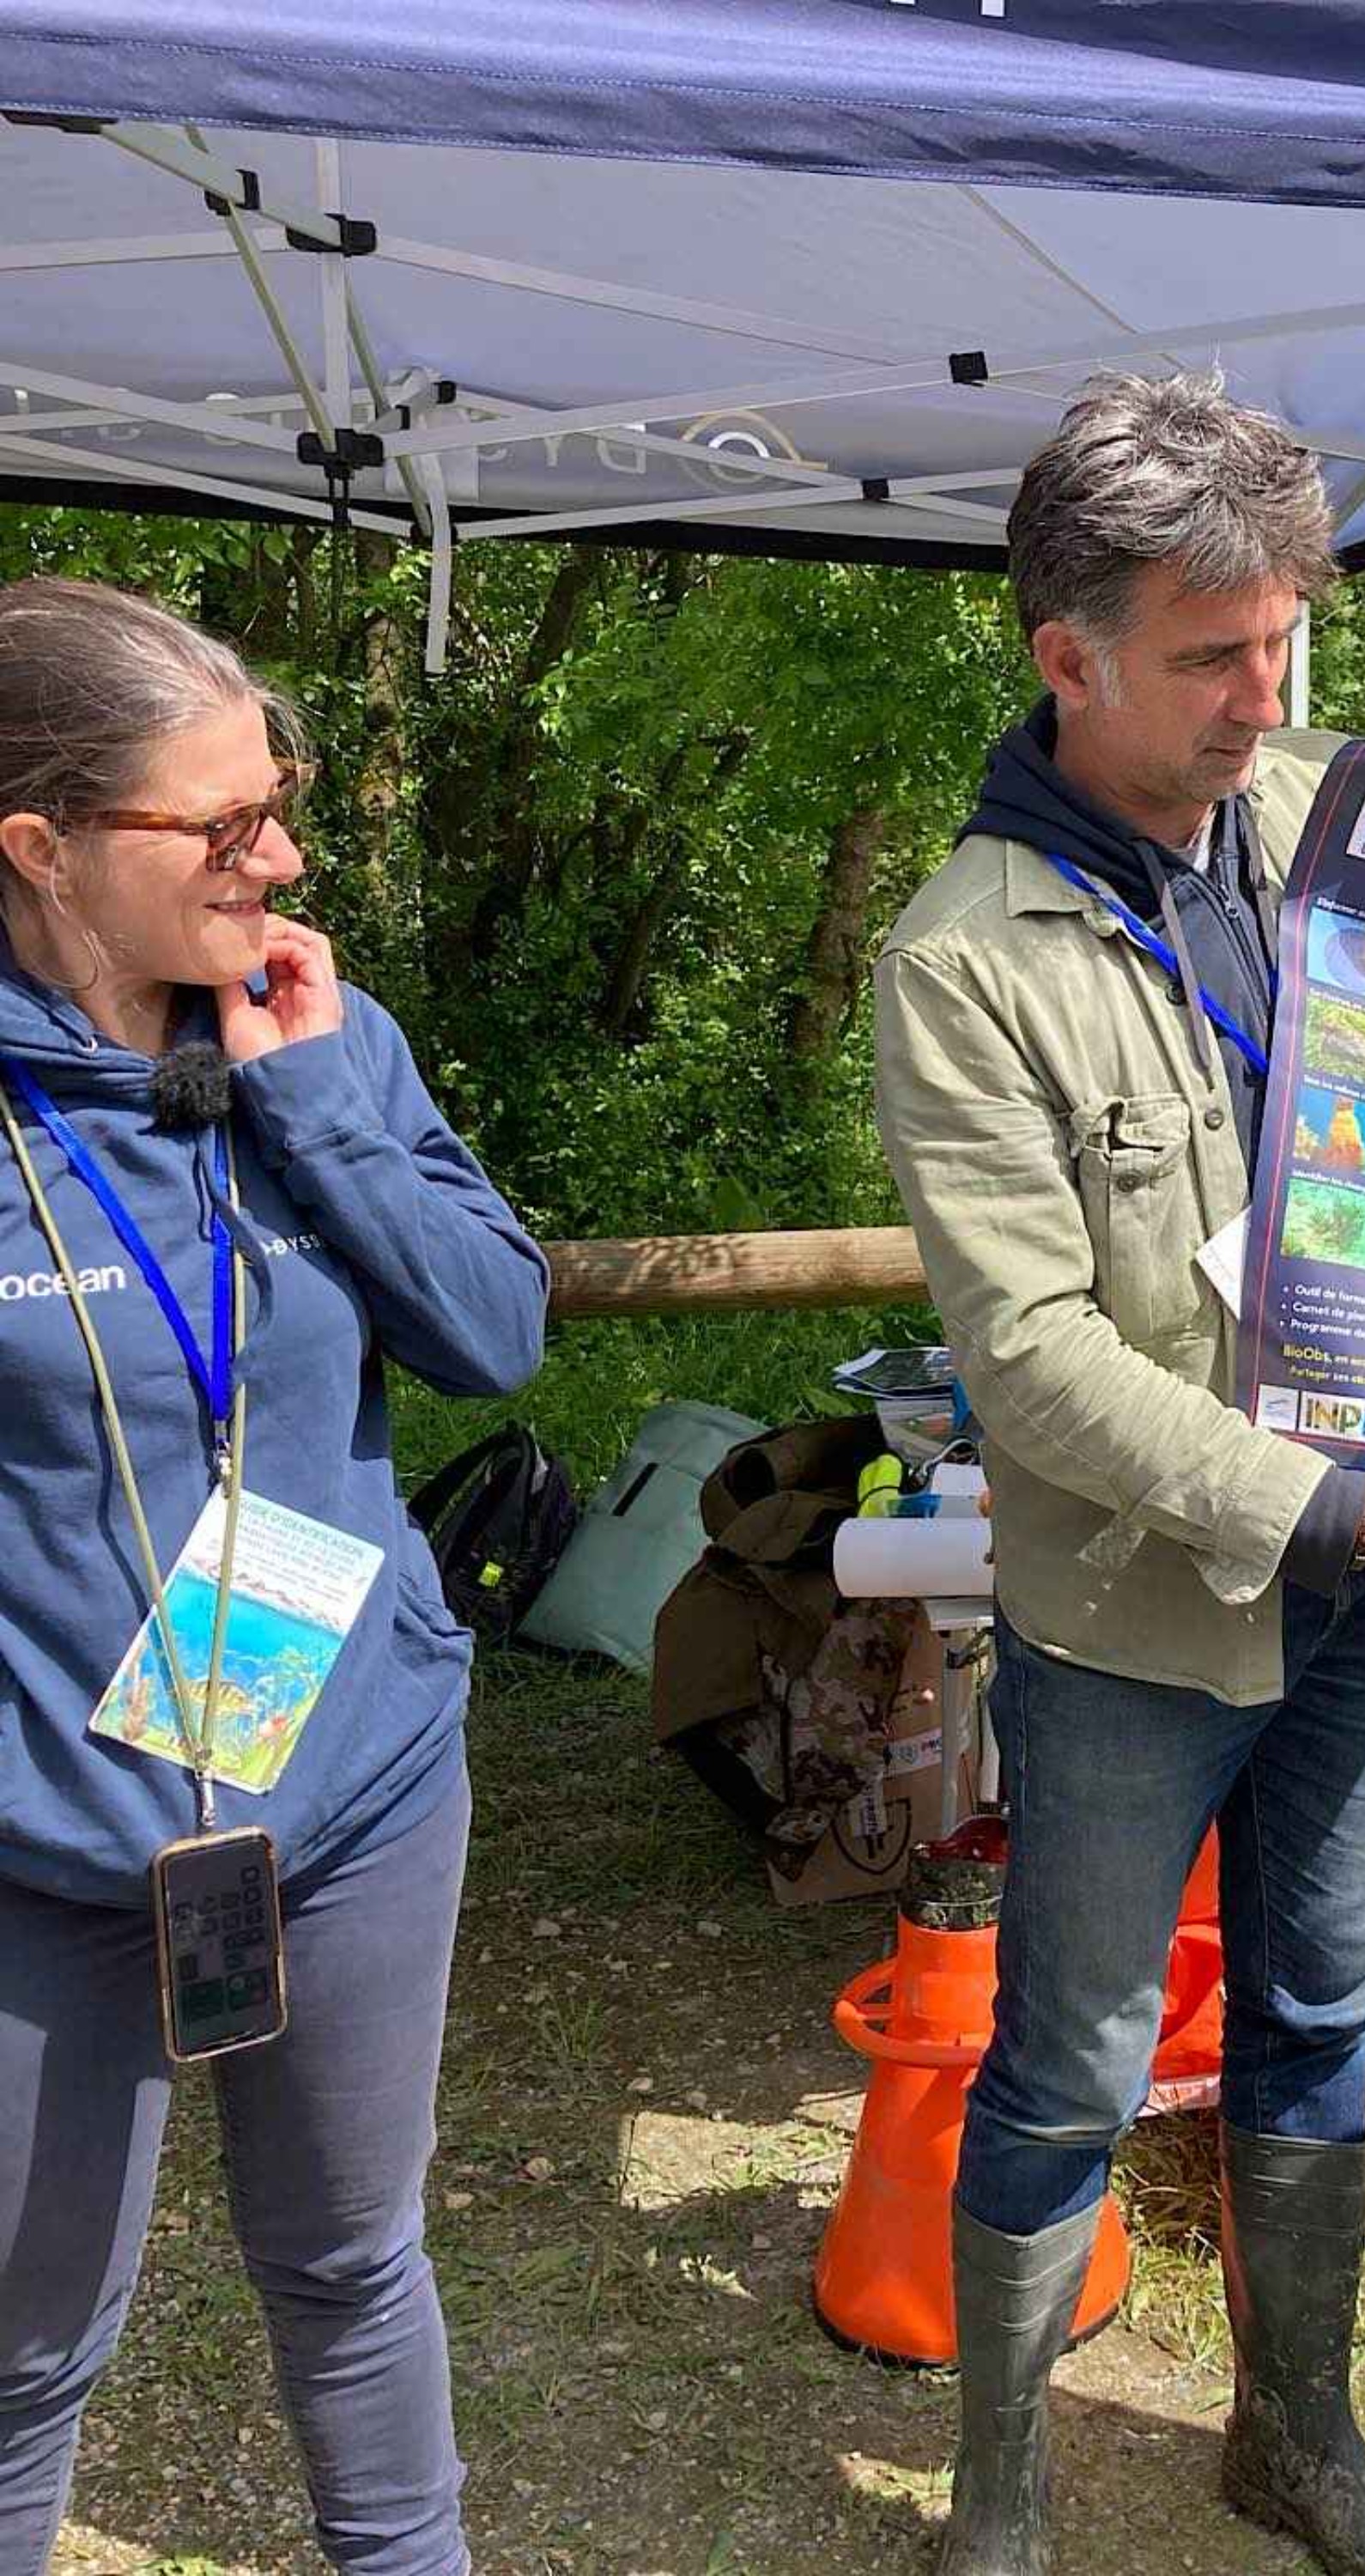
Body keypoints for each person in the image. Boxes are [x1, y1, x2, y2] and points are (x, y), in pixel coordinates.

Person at [875, 373, 1365, 2576]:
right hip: (1139, 1613)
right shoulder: (965, 963)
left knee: (1318, 2003)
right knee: (1075, 2059)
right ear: (1065, 655)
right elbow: (1029, 1363)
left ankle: (1297, 2441)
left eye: (1281, 643)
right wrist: (1320, 1506)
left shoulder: (1331, 814)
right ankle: (999, 2503)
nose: (1258, 694)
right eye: (1209, 654)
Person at [0, 577, 549, 2575]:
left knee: (350, 2261)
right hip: (51, 1842)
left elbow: (495, 1330)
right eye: (222, 830)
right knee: (23, 2358)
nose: (285, 859)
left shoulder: (326, 1033)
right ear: (43, 849)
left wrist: (319, 1101)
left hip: (355, 1776)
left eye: (281, 806)